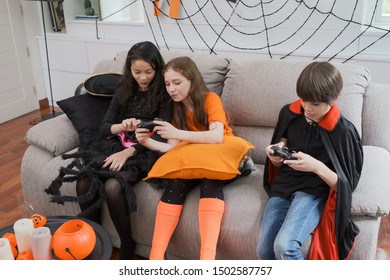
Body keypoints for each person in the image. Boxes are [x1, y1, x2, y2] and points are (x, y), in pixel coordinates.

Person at [48, 41, 172, 260]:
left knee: (114, 186)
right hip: (116, 142)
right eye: (137, 72)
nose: (143, 78)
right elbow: (105, 128)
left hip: (146, 150)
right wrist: (122, 126)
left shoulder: (164, 92)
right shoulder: (124, 88)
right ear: (129, 69)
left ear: (157, 69)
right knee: (85, 180)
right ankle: (93, 237)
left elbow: (162, 134)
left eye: (149, 72)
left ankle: (127, 244)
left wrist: (128, 152)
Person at [135, 56, 252, 260]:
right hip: (193, 161)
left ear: (192, 80)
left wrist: (177, 133)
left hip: (220, 160)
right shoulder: (176, 108)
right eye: (168, 84)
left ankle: (207, 258)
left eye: (177, 83)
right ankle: (156, 257)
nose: (171, 89)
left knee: (210, 181)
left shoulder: (210, 99)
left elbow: (216, 137)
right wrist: (146, 142)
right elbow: (173, 149)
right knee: (176, 183)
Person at [256, 61, 363, 260]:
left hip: (314, 190)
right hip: (284, 185)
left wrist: (317, 167)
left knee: (284, 246)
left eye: (315, 104)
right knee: (263, 250)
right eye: (304, 100)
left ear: (335, 98)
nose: (307, 108)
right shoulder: (289, 113)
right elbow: (279, 161)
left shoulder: (344, 132)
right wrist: (275, 155)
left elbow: (346, 186)